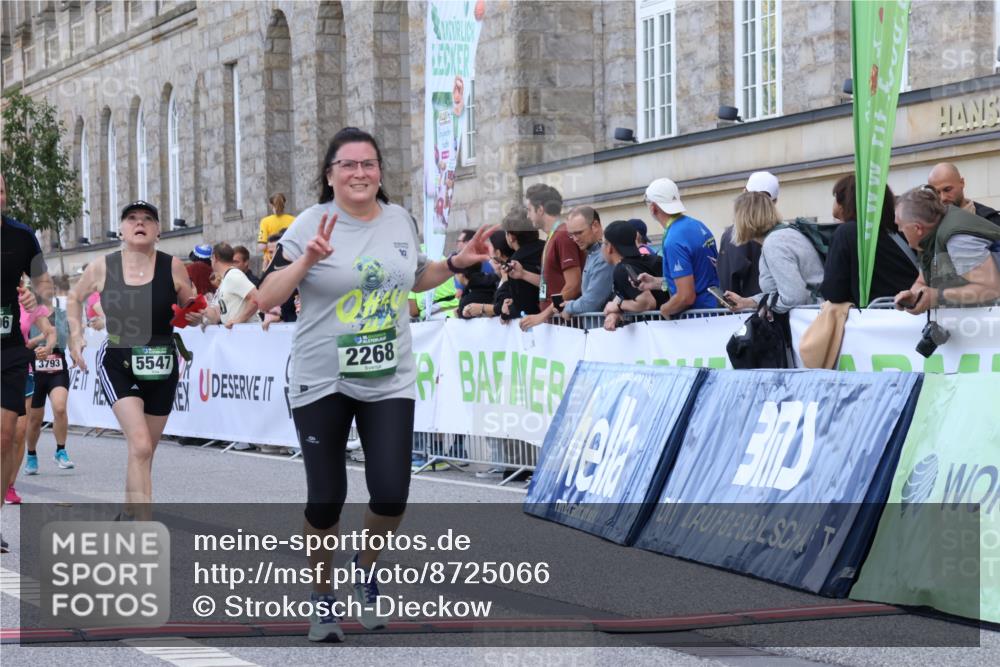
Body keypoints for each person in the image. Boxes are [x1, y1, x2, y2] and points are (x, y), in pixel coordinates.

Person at [254, 127, 495, 642]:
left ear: (379, 171)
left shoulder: (399, 219)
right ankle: (322, 599)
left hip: (389, 377)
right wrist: (306, 261)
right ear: (330, 174)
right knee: (327, 498)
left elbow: (414, 276)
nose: (359, 173)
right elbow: (265, 296)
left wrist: (455, 264)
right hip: (322, 378)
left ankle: (365, 571)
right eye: (348, 165)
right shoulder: (308, 225)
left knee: (391, 493)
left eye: (368, 164)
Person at [66, 200, 199, 520]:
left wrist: (197, 314)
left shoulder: (173, 266)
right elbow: (74, 298)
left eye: (148, 219)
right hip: (118, 362)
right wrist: (75, 334)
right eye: (132, 219)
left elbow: (192, 307)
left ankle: (128, 516)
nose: (140, 223)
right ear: (122, 230)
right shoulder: (102, 266)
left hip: (163, 363)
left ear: (157, 231)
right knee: (139, 444)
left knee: (145, 452)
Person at [1, 172, 54, 551]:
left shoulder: (21, 235)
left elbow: (44, 284)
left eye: (1, 190)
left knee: (6, 436)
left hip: (9, 349)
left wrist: (37, 299)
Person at [893, 186, 1000, 314]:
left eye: (900, 225)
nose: (899, 230)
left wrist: (936, 297)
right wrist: (915, 296)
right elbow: (922, 281)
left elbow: (991, 289)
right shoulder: (930, 235)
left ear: (917, 228)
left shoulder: (958, 241)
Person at [820, 175, 918, 305]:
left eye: (835, 197)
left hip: (873, 320)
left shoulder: (846, 233)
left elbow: (834, 292)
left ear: (845, 201)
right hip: (912, 314)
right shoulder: (902, 232)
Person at [724, 191, 825, 313]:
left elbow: (793, 298)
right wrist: (747, 302)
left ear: (745, 219)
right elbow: (784, 294)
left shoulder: (775, 243)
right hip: (815, 316)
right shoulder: (784, 234)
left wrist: (765, 306)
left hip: (812, 320)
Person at [634, 178, 720, 316]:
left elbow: (686, 297)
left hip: (699, 320)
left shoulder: (674, 239)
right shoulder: (697, 225)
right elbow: (697, 275)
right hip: (715, 310)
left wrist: (664, 310)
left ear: (653, 207)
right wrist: (656, 282)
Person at [515, 184, 585, 330]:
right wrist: (523, 274)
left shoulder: (563, 235)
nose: (528, 216)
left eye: (529, 210)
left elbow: (573, 285)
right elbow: (551, 283)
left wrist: (542, 316)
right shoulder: (554, 236)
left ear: (540, 210)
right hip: (556, 324)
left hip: (567, 326)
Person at [25, 274, 75, 477]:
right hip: (35, 371)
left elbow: (68, 339)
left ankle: (61, 450)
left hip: (57, 367)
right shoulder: (30, 314)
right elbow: (24, 342)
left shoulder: (62, 314)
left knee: (60, 408)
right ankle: (31, 454)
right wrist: (42, 338)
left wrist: (77, 351)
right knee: (34, 419)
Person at [601, 220, 668, 331]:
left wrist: (619, 305)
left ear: (610, 247)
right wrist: (615, 309)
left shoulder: (622, 270)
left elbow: (647, 303)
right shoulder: (655, 259)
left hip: (655, 334)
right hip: (675, 328)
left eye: (603, 243)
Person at [717, 172, 776, 297]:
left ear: (743, 193)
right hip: (781, 309)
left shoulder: (733, 234)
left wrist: (723, 264)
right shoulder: (782, 232)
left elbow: (729, 286)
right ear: (774, 202)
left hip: (747, 311)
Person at [561, 206, 613, 319]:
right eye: (571, 235)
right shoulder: (593, 253)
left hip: (604, 332)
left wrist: (569, 307)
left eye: (579, 233)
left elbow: (591, 302)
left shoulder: (604, 256)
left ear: (595, 226)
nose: (575, 239)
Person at [497, 205, 544, 322]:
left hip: (540, 325)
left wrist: (506, 313)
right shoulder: (548, 247)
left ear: (511, 236)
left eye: (506, 233)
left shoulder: (515, 264)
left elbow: (523, 306)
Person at [199, 243, 260, 328]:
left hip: (247, 334)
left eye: (211, 258)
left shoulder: (233, 275)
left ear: (215, 258)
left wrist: (239, 320)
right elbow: (218, 314)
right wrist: (200, 309)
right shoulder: (226, 279)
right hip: (238, 334)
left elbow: (256, 297)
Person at [927, 162, 1000, 226]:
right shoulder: (927, 226)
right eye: (937, 193)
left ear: (962, 183)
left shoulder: (991, 219)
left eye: (947, 190)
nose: (943, 198)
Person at [257, 192, 296, 263]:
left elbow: (262, 246)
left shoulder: (265, 221)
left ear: (270, 205)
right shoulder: (293, 220)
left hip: (271, 260)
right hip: (289, 258)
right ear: (285, 203)